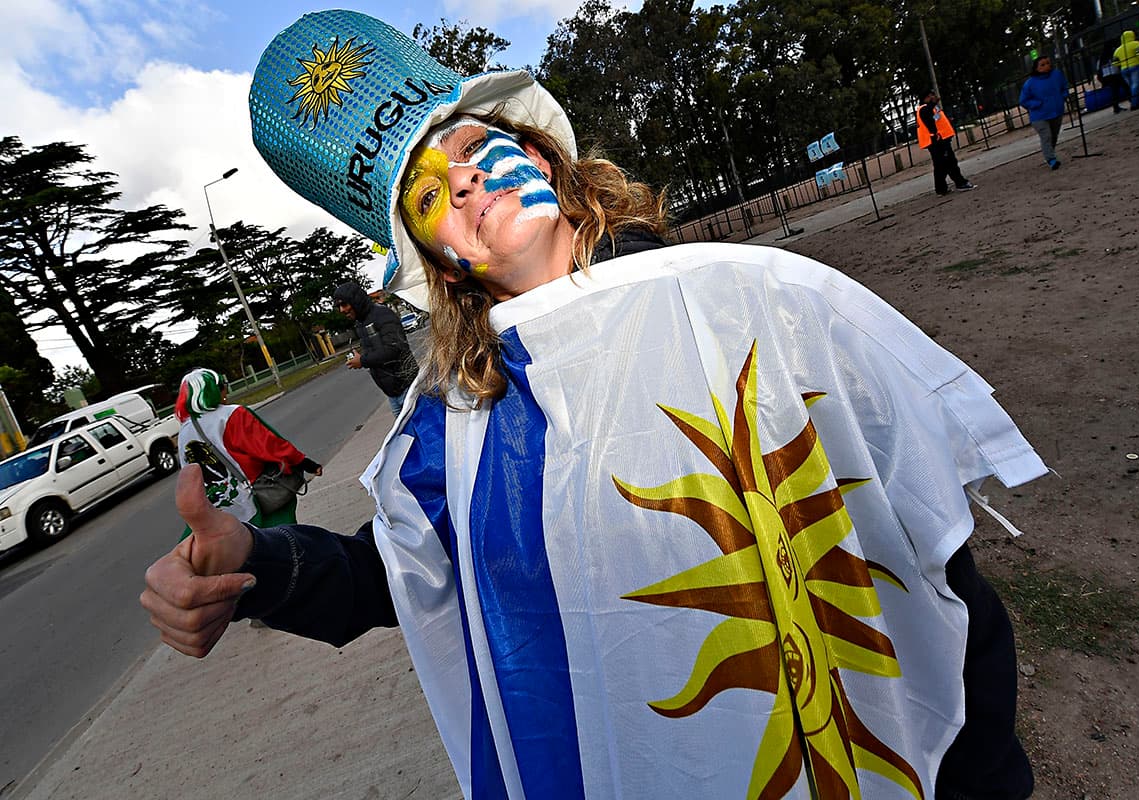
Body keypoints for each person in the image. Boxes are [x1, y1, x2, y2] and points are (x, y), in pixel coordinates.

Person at [143, 11, 1046, 800]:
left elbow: (926, 560)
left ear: (538, 155)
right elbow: (409, 573)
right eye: (427, 194)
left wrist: (982, 782)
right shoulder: (452, 430)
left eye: (468, 147)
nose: (460, 182)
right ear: (440, 259)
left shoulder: (741, 306)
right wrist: (259, 563)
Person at [175, 367, 322, 529]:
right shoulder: (231, 415)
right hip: (254, 501)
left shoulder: (184, 430)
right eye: (224, 385)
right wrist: (307, 464)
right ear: (215, 389)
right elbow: (270, 445)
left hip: (214, 512)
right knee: (282, 540)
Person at [332, 281, 418, 417]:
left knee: (424, 433)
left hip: (408, 388)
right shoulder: (361, 323)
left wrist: (362, 360)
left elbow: (394, 349)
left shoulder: (383, 315)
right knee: (405, 437)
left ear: (355, 301)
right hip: (393, 394)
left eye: (344, 304)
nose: (342, 310)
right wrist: (362, 358)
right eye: (338, 306)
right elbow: (378, 352)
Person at [916, 89, 976, 195]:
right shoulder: (925, 109)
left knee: (941, 166)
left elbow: (936, 119)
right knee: (949, 162)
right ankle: (960, 183)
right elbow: (930, 123)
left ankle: (941, 189)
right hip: (937, 141)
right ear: (926, 98)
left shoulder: (931, 108)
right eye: (932, 95)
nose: (934, 96)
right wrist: (935, 134)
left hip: (940, 139)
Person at [1019, 55, 1070, 170]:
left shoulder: (1057, 75)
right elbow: (1023, 100)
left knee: (1053, 136)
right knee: (1046, 136)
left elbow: (1064, 86)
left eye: (1048, 63)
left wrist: (1063, 96)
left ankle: (1049, 154)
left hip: (1056, 111)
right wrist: (1036, 104)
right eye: (1043, 65)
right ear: (1036, 68)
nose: (1047, 66)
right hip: (1039, 115)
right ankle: (1051, 159)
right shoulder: (1030, 83)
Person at [1113, 30, 1139, 109]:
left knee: (1132, 86)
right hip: (1135, 65)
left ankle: (1138, 102)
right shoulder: (1136, 44)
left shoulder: (1117, 50)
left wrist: (1122, 64)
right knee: (1135, 86)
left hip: (1124, 69)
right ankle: (1134, 104)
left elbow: (1115, 63)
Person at [1097, 41, 1130, 113]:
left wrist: (1102, 79)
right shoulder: (1113, 54)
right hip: (1115, 74)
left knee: (1115, 91)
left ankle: (1116, 107)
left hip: (1106, 76)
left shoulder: (1101, 58)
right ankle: (1132, 100)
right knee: (1125, 87)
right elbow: (1118, 63)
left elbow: (1098, 69)